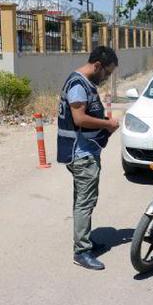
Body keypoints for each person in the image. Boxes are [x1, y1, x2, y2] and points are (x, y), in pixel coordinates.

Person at [57, 46, 120, 270]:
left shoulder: (84, 83)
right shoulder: (78, 85)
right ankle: (82, 251)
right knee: (84, 203)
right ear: (97, 66)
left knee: (85, 200)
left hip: (85, 151)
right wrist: (108, 124)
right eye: (108, 72)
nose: (107, 77)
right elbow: (80, 119)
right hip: (81, 154)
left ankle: (86, 242)